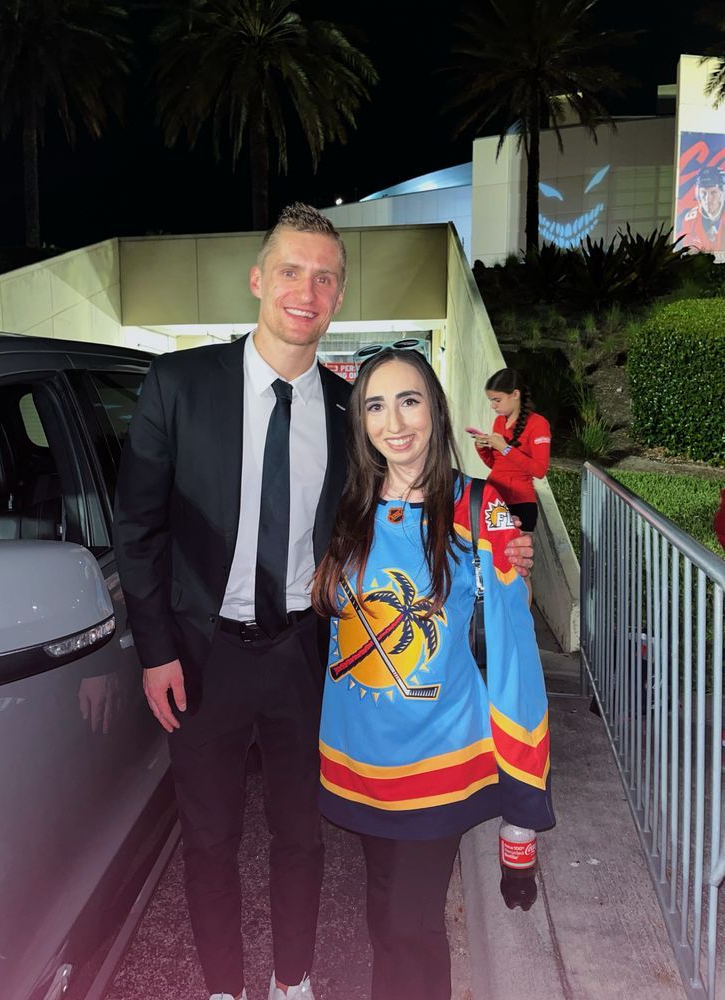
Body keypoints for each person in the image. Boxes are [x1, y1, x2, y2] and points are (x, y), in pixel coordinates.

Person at [113, 204, 537, 1000]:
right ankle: (223, 986)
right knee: (208, 838)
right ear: (257, 280)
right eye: (290, 272)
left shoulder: (352, 411)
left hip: (305, 657)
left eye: (325, 278)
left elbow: (409, 497)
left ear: (339, 296)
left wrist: (499, 538)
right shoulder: (179, 385)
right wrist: (156, 649)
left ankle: (294, 979)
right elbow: (137, 527)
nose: (305, 292)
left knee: (301, 834)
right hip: (201, 655)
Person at [312, 348, 554, 1000]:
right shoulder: (343, 506)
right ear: (360, 422)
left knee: (407, 925)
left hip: (440, 760)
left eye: (409, 400)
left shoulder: (481, 508)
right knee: (385, 919)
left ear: (436, 410)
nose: (394, 423)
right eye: (376, 405)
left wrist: (522, 809)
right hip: (362, 759)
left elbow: (514, 658)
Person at [470, 367, 551, 532]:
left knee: (515, 548)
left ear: (515, 394)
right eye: (491, 400)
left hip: (520, 503)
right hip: (493, 498)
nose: (493, 406)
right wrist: (482, 448)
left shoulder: (538, 424)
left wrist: (505, 448)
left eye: (497, 400)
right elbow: (497, 465)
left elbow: (539, 470)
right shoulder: (499, 422)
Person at [680, 164, 725, 255]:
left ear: (722, 193)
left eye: (713, 192)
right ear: (698, 194)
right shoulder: (690, 220)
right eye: (703, 193)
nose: (708, 199)